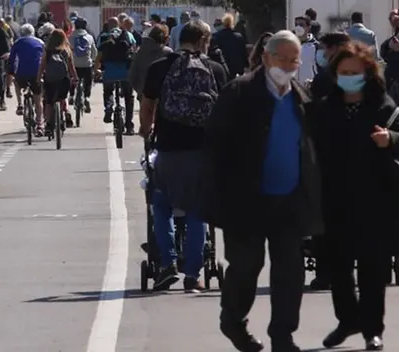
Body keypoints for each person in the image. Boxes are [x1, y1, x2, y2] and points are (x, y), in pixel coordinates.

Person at [206, 30, 323, 352]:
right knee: (246, 267)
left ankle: (283, 336)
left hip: (290, 201)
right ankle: (233, 320)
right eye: (282, 58)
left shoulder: (302, 97)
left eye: (293, 59)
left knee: (290, 272)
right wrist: (219, 198)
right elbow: (215, 148)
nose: (287, 65)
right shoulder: (239, 93)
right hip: (246, 202)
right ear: (266, 57)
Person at [316, 42, 399, 351]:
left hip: (377, 202)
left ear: (368, 74)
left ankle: (373, 329)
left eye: (354, 73)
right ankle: (348, 320)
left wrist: (390, 139)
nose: (349, 78)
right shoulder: (324, 107)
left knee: (373, 271)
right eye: (343, 73)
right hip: (335, 202)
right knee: (338, 268)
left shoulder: (383, 107)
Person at [139, 21, 228, 292]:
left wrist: (146, 133)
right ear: (203, 40)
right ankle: (193, 274)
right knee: (197, 211)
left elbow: (147, 107)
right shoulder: (215, 69)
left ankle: (167, 263)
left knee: (161, 206)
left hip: (168, 149)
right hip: (202, 150)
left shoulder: (160, 68)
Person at [96, 16, 136, 134]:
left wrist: (96, 71)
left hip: (109, 71)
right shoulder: (128, 35)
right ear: (119, 24)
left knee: (108, 91)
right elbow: (134, 51)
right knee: (129, 97)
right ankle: (129, 125)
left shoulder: (103, 37)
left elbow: (99, 55)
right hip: (125, 72)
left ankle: (109, 107)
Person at [9, 24, 46, 135]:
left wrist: (11, 72)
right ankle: (40, 124)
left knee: (16, 82)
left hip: (21, 74)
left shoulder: (17, 43)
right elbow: (45, 58)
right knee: (38, 99)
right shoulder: (40, 42)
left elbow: (12, 59)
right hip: (36, 74)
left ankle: (20, 103)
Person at [38, 29, 78, 131]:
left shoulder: (48, 50)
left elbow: (42, 66)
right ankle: (66, 112)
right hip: (64, 79)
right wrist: (75, 78)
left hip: (50, 79)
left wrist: (38, 78)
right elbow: (71, 67)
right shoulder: (66, 50)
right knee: (62, 97)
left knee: (48, 101)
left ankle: (48, 124)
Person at [129, 24, 172, 98]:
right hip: (162, 95)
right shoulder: (167, 52)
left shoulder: (140, 52)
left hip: (144, 93)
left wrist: (139, 89)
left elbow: (132, 75)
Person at [68, 17, 97, 113]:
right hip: (86, 65)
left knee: (72, 78)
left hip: (74, 65)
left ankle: (71, 95)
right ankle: (87, 97)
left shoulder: (70, 37)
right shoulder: (89, 37)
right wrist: (91, 61)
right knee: (88, 81)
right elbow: (94, 52)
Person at [212, 13, 248, 77]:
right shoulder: (239, 37)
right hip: (237, 68)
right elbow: (243, 53)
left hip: (222, 68)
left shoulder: (215, 37)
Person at [295, 15, 319, 84]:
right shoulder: (290, 46)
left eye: (301, 25)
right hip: (294, 88)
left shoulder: (316, 46)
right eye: (296, 25)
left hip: (309, 87)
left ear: (308, 27)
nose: (298, 27)